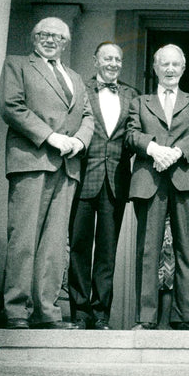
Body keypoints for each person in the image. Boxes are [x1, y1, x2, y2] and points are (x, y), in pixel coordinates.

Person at [0, 17, 94, 330]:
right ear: (33, 37)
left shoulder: (76, 79)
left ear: (66, 43)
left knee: (55, 243)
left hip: (67, 165)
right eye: (44, 34)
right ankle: (16, 311)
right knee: (24, 238)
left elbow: (88, 116)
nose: (51, 40)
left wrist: (79, 141)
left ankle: (48, 312)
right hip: (32, 159)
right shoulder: (18, 65)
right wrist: (50, 137)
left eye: (58, 36)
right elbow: (12, 106)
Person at [126, 44, 189, 330]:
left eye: (176, 64)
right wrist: (152, 149)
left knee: (187, 249)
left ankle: (186, 316)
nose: (170, 69)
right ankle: (146, 318)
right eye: (165, 64)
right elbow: (130, 133)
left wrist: (175, 152)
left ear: (183, 69)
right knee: (148, 250)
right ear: (155, 68)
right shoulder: (140, 102)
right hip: (150, 179)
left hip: (186, 177)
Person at [68, 42, 139, 330]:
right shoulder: (79, 89)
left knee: (107, 252)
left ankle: (101, 315)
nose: (113, 63)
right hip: (83, 178)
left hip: (116, 180)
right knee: (79, 248)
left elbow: (133, 134)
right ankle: (80, 313)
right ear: (95, 60)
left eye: (118, 59)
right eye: (107, 58)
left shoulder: (131, 94)